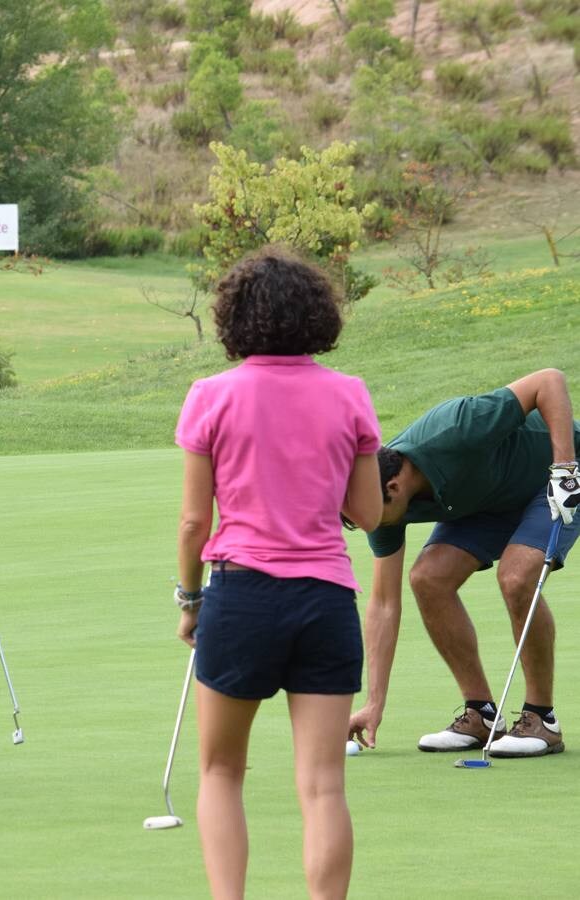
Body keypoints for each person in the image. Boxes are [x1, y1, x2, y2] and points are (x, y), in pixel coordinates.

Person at [174, 247, 382, 899]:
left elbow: (191, 522)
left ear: (235, 318)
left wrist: (189, 598)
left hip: (241, 597)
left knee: (219, 772)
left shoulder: (212, 395)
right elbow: (369, 512)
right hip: (326, 601)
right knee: (322, 783)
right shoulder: (349, 394)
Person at [348, 369, 580, 758]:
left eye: (362, 514)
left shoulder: (455, 428)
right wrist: (374, 702)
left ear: (393, 488)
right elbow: (384, 604)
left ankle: (542, 718)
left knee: (516, 576)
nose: (363, 523)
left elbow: (549, 381)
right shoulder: (378, 502)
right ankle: (481, 713)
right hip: (489, 501)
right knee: (428, 578)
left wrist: (565, 471)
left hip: (552, 478)